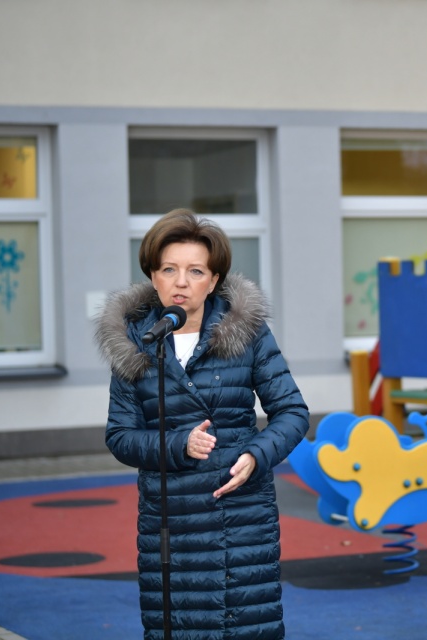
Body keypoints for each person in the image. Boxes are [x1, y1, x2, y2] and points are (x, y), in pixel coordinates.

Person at [95, 208, 310, 640]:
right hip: (172, 517)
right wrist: (177, 444)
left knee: (247, 626)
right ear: (152, 276)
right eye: (169, 269)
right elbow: (119, 435)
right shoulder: (136, 342)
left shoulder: (247, 333)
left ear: (213, 281)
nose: (181, 282)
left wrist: (255, 455)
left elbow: (292, 412)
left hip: (240, 513)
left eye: (195, 271)